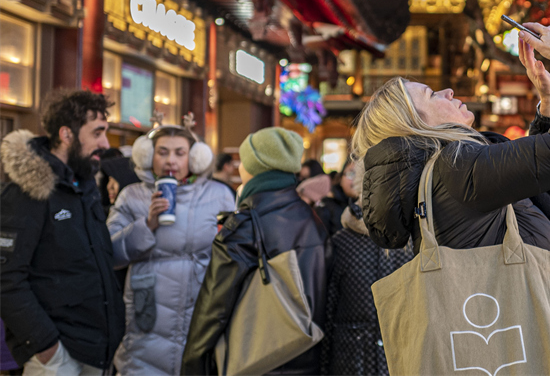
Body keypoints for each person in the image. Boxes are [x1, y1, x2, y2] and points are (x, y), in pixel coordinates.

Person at [354, 21, 550, 262]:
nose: (448, 91)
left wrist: (547, 106)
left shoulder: (447, 174)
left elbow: (533, 183)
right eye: (431, 94)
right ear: (416, 125)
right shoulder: (456, 167)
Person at [182, 127, 328, 375]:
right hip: (305, 357)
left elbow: (213, 308)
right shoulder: (313, 220)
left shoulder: (244, 226)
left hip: (252, 362)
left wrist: (192, 365)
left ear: (254, 167)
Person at [0, 90, 124, 374]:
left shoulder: (85, 188)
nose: (104, 143)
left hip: (96, 349)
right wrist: (46, 347)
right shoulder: (26, 192)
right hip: (58, 357)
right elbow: (6, 278)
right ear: (67, 134)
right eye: (98, 133)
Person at [107, 124, 234, 375]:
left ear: (195, 157)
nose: (170, 161)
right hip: (148, 314)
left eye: (180, 153)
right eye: (162, 152)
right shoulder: (132, 196)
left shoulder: (220, 195)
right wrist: (147, 225)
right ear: (148, 156)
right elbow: (109, 253)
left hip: (202, 307)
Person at [321, 160, 413, 375]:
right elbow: (328, 310)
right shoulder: (341, 243)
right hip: (352, 360)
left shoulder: (417, 240)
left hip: (399, 360)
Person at [317, 161, 357, 236]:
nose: (356, 179)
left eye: (361, 175)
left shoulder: (372, 207)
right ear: (340, 178)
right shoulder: (326, 207)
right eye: (351, 174)